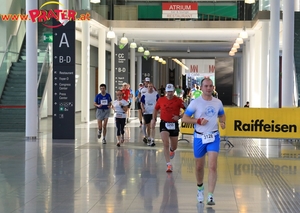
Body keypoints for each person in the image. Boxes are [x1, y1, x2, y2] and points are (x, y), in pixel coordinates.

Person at [182, 78, 226, 205]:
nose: (208, 88)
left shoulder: (218, 102)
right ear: (201, 88)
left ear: (213, 87)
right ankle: (200, 188)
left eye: (211, 86)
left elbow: (222, 115)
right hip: (199, 137)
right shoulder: (195, 103)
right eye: (206, 86)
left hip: (213, 137)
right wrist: (197, 121)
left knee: (212, 166)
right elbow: (185, 118)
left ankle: (210, 195)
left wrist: (222, 122)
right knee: (199, 166)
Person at [151, 84, 185, 172]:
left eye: (171, 92)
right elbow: (155, 109)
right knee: (165, 143)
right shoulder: (161, 100)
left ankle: (172, 150)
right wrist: (154, 119)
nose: (169, 93)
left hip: (174, 124)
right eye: (168, 92)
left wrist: (180, 116)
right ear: (165, 92)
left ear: (174, 92)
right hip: (164, 123)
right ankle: (168, 165)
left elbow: (188, 109)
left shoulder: (178, 100)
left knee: (174, 146)